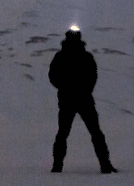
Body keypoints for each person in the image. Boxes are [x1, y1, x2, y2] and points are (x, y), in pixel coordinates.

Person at [48, 28, 118, 174]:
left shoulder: (61, 57)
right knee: (95, 133)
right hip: (83, 99)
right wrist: (84, 90)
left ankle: (57, 166)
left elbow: (53, 77)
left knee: (63, 134)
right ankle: (105, 165)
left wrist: (65, 88)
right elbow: (92, 77)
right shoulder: (85, 56)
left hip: (69, 100)